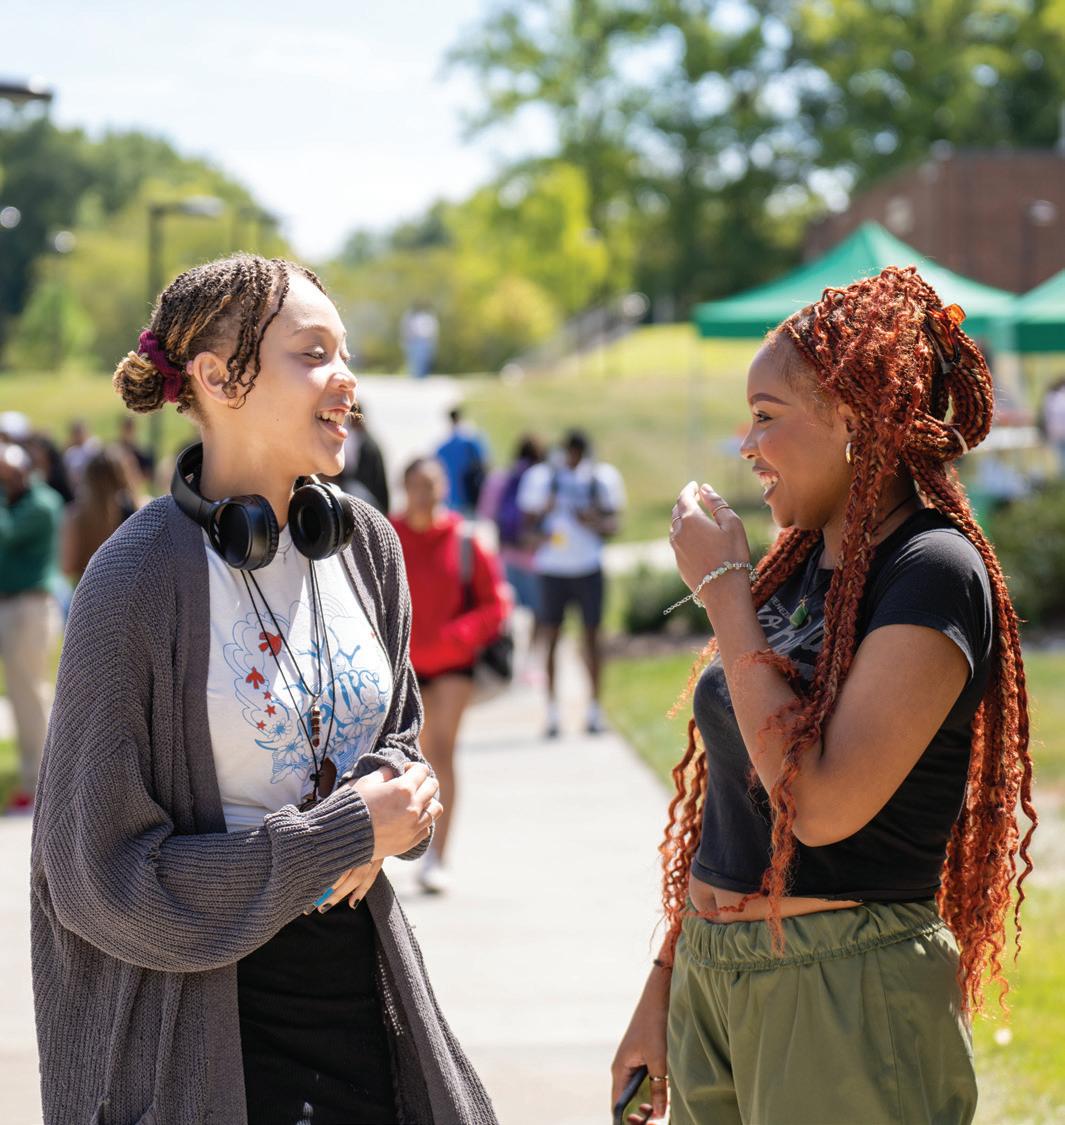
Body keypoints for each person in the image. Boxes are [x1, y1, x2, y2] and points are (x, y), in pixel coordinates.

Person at [31, 253, 496, 1125]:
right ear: (216, 378)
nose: (346, 378)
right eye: (313, 353)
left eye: (344, 352)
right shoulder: (134, 581)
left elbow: (396, 737)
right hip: (206, 1042)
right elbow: (94, 876)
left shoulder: (365, 543)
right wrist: (339, 837)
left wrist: (400, 792)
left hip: (362, 1005)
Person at [612, 268, 1036, 1125]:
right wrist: (664, 982)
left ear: (850, 418)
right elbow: (734, 804)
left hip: (842, 984)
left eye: (766, 416)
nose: (746, 444)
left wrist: (725, 592)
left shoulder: (933, 570)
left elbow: (819, 804)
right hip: (713, 976)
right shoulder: (800, 565)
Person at [391, 456, 509, 894]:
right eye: (417, 484)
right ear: (404, 487)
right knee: (407, 757)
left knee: (440, 751)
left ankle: (438, 856)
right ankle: (406, 844)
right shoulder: (388, 535)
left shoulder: (464, 539)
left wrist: (460, 635)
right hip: (403, 666)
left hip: (453, 667)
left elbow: (496, 604)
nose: (426, 493)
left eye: (433, 484)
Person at [518, 429, 624, 737]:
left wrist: (590, 520)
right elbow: (525, 529)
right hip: (552, 569)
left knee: (592, 638)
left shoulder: (600, 479)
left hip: (587, 566)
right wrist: (545, 514)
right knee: (551, 637)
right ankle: (552, 712)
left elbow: (614, 524)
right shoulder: (543, 479)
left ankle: (594, 710)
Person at [0, 440, 63, 813]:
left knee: (30, 697)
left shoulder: (41, 503)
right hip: (14, 606)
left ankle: (41, 784)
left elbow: (4, 533)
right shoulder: (15, 501)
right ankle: (34, 781)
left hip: (30, 607)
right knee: (21, 696)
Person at [60, 443, 147, 582]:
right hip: (132, 587)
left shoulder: (77, 515)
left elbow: (68, 566)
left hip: (90, 588)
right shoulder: (142, 511)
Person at [325, 405, 391, 513]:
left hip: (374, 502)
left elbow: (362, 480)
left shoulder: (367, 445)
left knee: (350, 489)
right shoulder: (358, 440)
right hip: (365, 495)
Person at [436, 405, 489, 514]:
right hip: (469, 497)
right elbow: (484, 463)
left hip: (449, 499)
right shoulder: (472, 441)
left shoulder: (442, 446)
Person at [61, 417, 100, 491]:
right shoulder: (70, 452)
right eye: (75, 433)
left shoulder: (94, 445)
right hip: (77, 488)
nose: (78, 435)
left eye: (80, 432)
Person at [402, 302, 439, 379]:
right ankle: (416, 376)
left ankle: (421, 376)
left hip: (423, 341)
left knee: (423, 360)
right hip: (415, 340)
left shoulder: (427, 317)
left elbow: (430, 330)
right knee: (416, 360)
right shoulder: (412, 317)